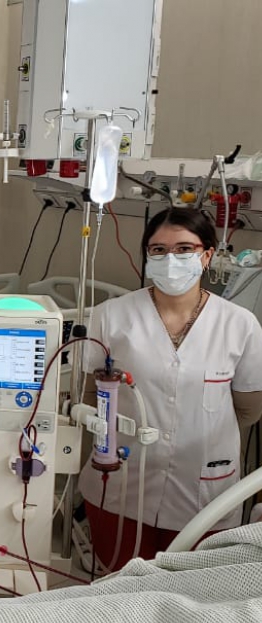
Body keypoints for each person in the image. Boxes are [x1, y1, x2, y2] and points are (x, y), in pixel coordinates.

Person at [81, 207, 262, 568]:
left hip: (204, 491)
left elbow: (249, 409)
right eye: (159, 250)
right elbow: (89, 396)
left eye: (184, 249)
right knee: (119, 584)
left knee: (190, 589)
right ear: (147, 256)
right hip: (120, 486)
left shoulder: (239, 324)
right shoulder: (111, 316)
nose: (171, 259)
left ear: (206, 255)